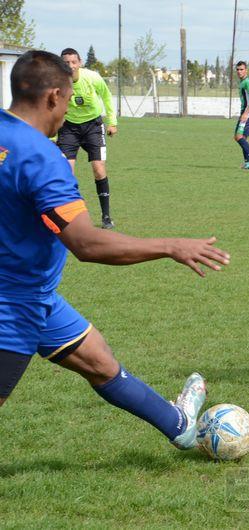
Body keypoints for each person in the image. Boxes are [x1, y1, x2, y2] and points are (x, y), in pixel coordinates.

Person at [0, 51, 231, 451]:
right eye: (70, 98)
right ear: (54, 96)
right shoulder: (43, 159)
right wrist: (171, 246)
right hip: (12, 307)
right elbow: (87, 244)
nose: (70, 109)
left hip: (37, 296)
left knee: (100, 362)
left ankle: (181, 426)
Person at [57, 48, 118, 229]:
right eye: (66, 62)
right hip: (68, 128)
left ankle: (106, 216)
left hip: (93, 125)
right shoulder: (57, 82)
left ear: (80, 63)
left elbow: (106, 96)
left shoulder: (92, 78)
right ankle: (70, 217)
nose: (70, 65)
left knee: (99, 169)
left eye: (73, 62)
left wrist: (112, 122)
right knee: (66, 173)